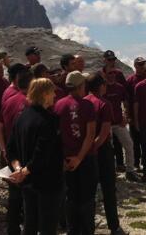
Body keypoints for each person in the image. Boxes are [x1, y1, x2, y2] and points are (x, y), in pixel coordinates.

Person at [7, 78, 63, 235]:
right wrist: (23, 171)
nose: (55, 95)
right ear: (45, 94)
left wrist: (18, 169)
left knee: (30, 223)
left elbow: (11, 148)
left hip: (27, 182)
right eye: (52, 92)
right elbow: (42, 154)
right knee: (47, 226)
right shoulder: (49, 120)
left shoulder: (21, 117)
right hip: (47, 182)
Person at [54, 71, 97, 235]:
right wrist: (80, 157)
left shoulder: (59, 104)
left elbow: (56, 134)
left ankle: (72, 230)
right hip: (85, 158)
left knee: (71, 197)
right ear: (81, 86)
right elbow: (90, 134)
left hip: (66, 159)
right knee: (87, 198)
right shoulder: (87, 105)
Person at [85, 73, 127, 235]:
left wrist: (86, 150)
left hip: (86, 151)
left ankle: (88, 226)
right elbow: (104, 133)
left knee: (89, 191)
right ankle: (114, 226)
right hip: (101, 151)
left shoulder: (84, 102)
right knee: (109, 189)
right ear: (101, 86)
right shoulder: (104, 104)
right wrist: (94, 148)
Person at [0, 70, 33, 235]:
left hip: (12, 153)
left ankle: (13, 228)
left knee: (14, 194)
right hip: (29, 154)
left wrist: (3, 149)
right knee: (30, 196)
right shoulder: (34, 104)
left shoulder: (8, 101)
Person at [104, 67, 139, 182]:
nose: (112, 75)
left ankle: (130, 171)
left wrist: (126, 116)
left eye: (114, 73)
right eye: (109, 73)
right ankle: (109, 172)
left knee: (129, 144)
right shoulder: (102, 88)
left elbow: (125, 103)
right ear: (104, 74)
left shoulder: (120, 88)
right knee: (108, 148)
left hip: (119, 122)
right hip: (106, 123)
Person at [101, 50, 127, 170]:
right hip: (103, 115)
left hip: (117, 113)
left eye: (113, 59)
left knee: (118, 141)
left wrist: (125, 115)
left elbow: (124, 94)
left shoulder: (119, 74)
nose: (112, 62)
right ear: (104, 60)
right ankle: (108, 165)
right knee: (105, 142)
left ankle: (120, 163)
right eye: (109, 59)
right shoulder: (99, 74)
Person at [126, 57, 146, 170]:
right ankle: (136, 163)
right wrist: (128, 115)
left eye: (143, 64)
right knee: (135, 141)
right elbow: (127, 99)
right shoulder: (130, 80)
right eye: (139, 64)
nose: (142, 66)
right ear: (135, 65)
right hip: (134, 116)